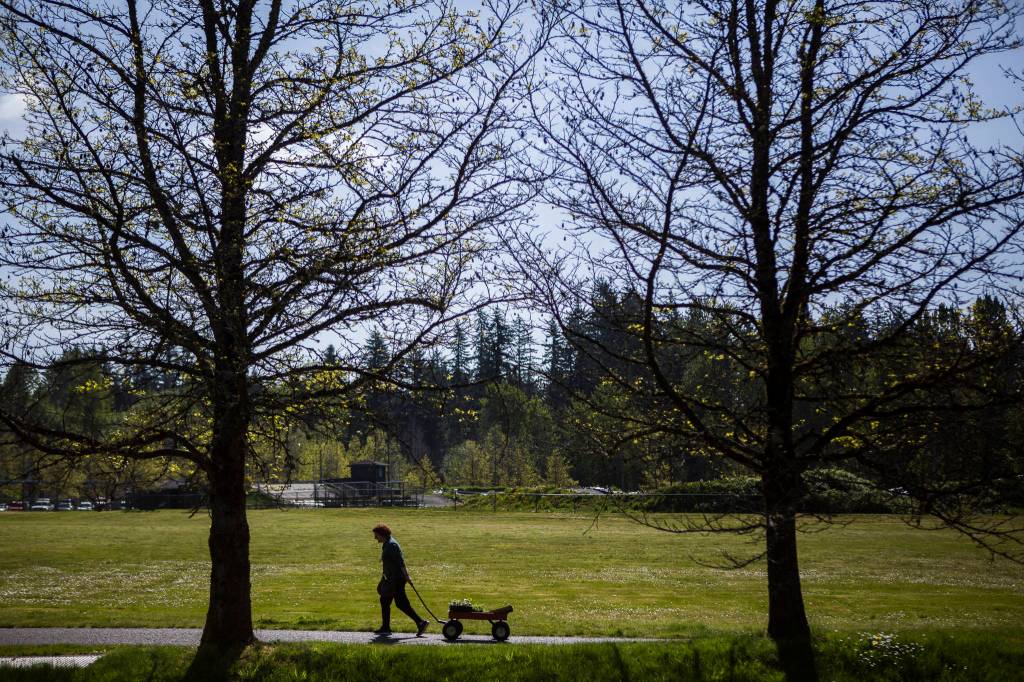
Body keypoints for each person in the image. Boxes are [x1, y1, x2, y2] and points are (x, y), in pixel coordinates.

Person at [372, 523, 429, 636]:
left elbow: (400, 562)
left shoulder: (392, 545)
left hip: (396, 579)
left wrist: (407, 577)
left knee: (401, 603)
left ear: (382, 534)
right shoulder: (387, 543)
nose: (375, 538)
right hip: (390, 578)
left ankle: (421, 622)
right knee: (385, 601)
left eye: (376, 535)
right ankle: (386, 627)